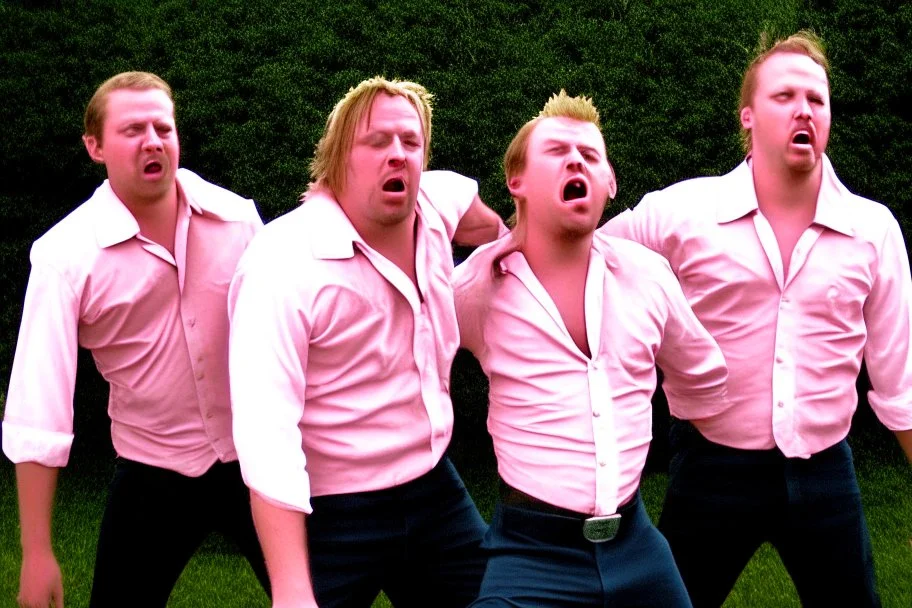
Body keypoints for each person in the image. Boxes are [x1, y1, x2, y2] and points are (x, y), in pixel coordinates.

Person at [598, 31, 912, 608]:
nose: (804, 110)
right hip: (710, 469)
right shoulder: (683, 213)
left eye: (817, 100)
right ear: (748, 116)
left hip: (825, 474)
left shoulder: (874, 230)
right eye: (784, 96)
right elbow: (588, 256)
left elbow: (901, 382)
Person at [228, 76, 505, 608]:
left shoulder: (432, 202)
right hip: (333, 510)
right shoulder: (282, 263)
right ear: (337, 159)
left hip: (433, 487)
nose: (396, 154)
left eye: (410, 142)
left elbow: (472, 211)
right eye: (376, 142)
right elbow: (267, 437)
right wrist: (290, 589)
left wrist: (509, 243)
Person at [452, 91, 730, 607]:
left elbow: (702, 374)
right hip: (529, 553)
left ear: (609, 182)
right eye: (556, 150)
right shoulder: (476, 289)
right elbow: (406, 350)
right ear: (517, 182)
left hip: (636, 545)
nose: (576, 158)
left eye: (591, 154)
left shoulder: (648, 277)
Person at [2, 71, 270, 608]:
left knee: (325, 595)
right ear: (94, 146)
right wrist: (36, 552)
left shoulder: (238, 219)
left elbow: (288, 338)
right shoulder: (63, 258)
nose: (152, 140)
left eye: (162, 128)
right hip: (153, 471)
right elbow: (39, 409)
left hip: (258, 458)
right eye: (132, 130)